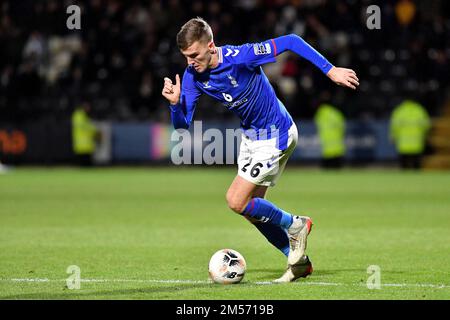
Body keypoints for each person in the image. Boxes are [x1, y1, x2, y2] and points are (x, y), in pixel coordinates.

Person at [161, 18, 359, 282]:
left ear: (210, 46)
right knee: (254, 212)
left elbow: (291, 41)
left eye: (194, 55)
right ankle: (298, 262)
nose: (190, 62)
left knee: (235, 200)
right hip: (251, 139)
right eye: (185, 57)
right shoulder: (192, 76)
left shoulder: (242, 57)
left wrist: (330, 70)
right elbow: (183, 126)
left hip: (276, 133)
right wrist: (175, 104)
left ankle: (296, 223)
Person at [390, 99, 431, 169]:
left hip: (403, 144)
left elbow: (394, 126)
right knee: (416, 165)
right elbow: (426, 125)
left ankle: (403, 178)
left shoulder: (399, 110)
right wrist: (425, 135)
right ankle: (418, 178)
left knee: (404, 165)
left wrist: (393, 136)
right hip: (417, 143)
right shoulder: (419, 110)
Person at [314, 102, 346, 169]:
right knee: (338, 171)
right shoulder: (337, 114)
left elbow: (317, 123)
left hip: (326, 149)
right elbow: (342, 128)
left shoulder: (320, 113)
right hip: (338, 149)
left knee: (326, 172)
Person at [71, 102, 98, 167]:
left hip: (86, 143)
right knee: (83, 161)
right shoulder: (78, 115)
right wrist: (93, 128)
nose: (89, 109)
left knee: (87, 161)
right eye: (87, 107)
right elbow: (83, 126)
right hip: (82, 142)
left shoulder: (84, 116)